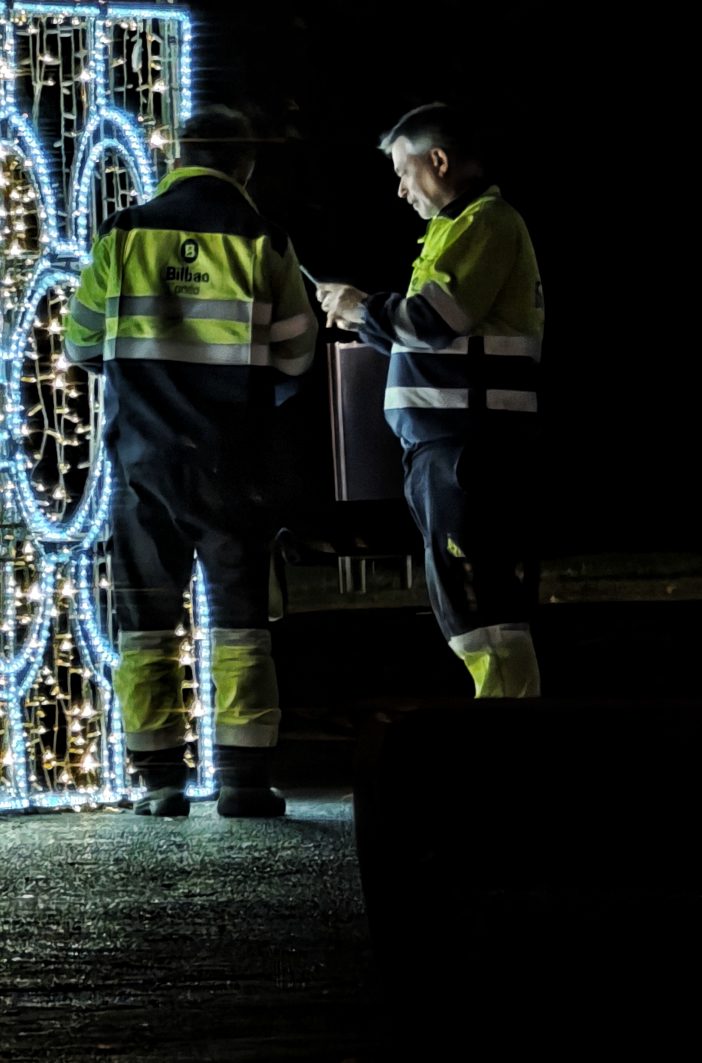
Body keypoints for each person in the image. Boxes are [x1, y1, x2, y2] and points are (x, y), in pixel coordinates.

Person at [64, 104, 319, 816]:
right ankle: (242, 780)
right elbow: (300, 352)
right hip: (233, 463)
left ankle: (159, 781)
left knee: (146, 622)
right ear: (246, 165)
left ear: (178, 157)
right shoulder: (263, 239)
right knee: (240, 620)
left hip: (142, 463)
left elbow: (82, 344)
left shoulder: (124, 234)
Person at [315, 101, 544, 698]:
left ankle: (510, 735)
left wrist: (361, 307)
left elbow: (433, 320)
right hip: (451, 448)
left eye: (402, 170)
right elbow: (426, 329)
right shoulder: (457, 226)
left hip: (471, 448)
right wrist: (365, 318)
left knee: (482, 607)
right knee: (472, 606)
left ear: (437, 161)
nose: (399, 190)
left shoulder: (484, 223)